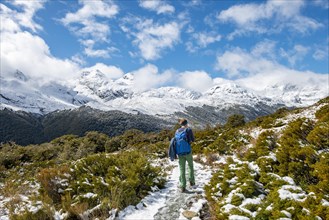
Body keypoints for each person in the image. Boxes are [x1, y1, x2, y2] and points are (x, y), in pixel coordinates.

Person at [175, 118, 195, 192]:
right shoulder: (188, 130)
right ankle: (192, 182)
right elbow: (193, 140)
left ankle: (182, 186)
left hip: (180, 153)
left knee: (182, 169)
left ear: (180, 124)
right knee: (190, 166)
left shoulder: (177, 131)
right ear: (186, 123)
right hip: (188, 152)